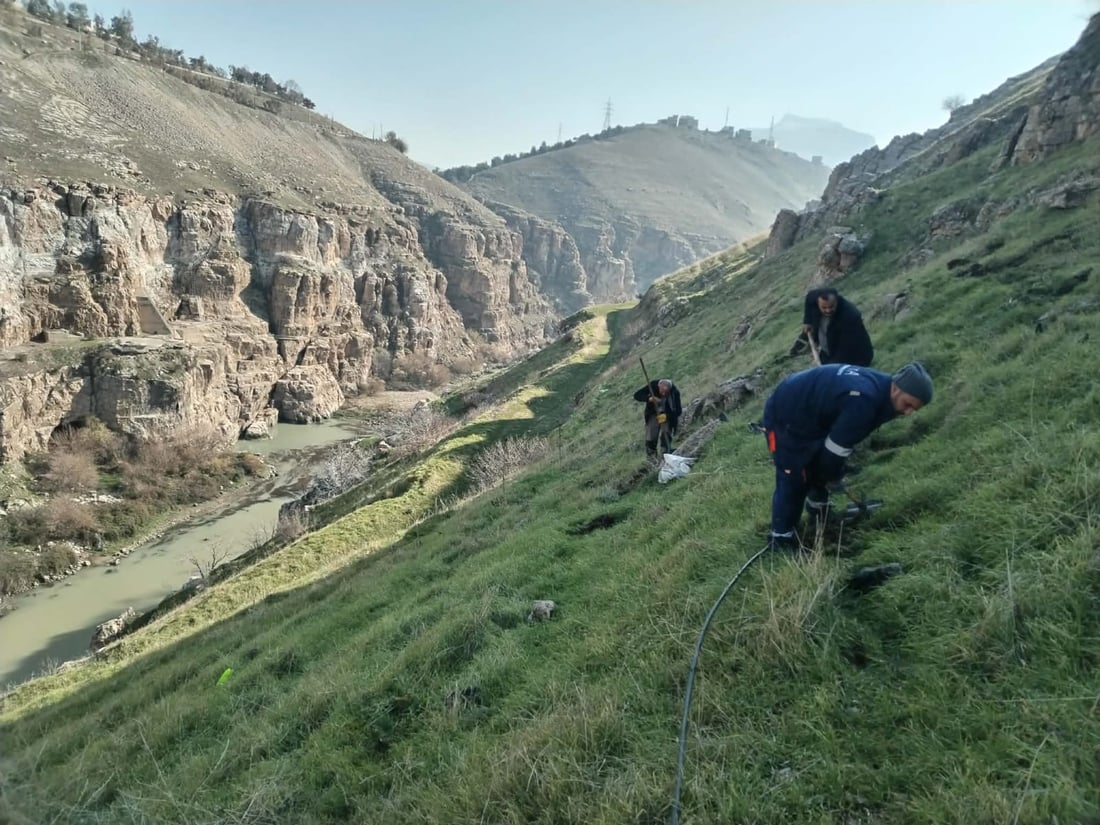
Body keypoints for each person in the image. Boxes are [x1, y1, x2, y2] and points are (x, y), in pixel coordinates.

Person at [762, 361, 933, 550]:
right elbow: (834, 451)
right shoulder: (863, 400)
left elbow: (838, 445)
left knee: (817, 462)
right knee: (793, 476)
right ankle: (781, 538)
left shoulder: (884, 391)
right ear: (896, 389)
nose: (908, 413)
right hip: (786, 412)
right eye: (908, 405)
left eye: (913, 409)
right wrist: (834, 476)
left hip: (814, 414)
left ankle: (819, 511)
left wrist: (829, 471)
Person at [790, 286, 874, 366]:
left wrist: (831, 368)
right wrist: (807, 321)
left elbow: (845, 349)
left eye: (831, 306)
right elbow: (809, 298)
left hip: (855, 357)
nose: (828, 310)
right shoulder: (814, 297)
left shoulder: (850, 317)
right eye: (824, 307)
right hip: (828, 352)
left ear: (837, 300)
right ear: (818, 302)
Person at [633, 377, 682, 458]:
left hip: (667, 415)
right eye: (662, 391)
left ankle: (665, 452)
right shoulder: (653, 386)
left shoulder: (674, 393)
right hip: (652, 414)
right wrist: (649, 398)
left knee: (666, 432)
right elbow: (637, 395)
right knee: (651, 435)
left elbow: (678, 411)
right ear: (658, 387)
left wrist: (667, 416)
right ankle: (652, 457)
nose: (664, 394)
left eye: (666, 392)